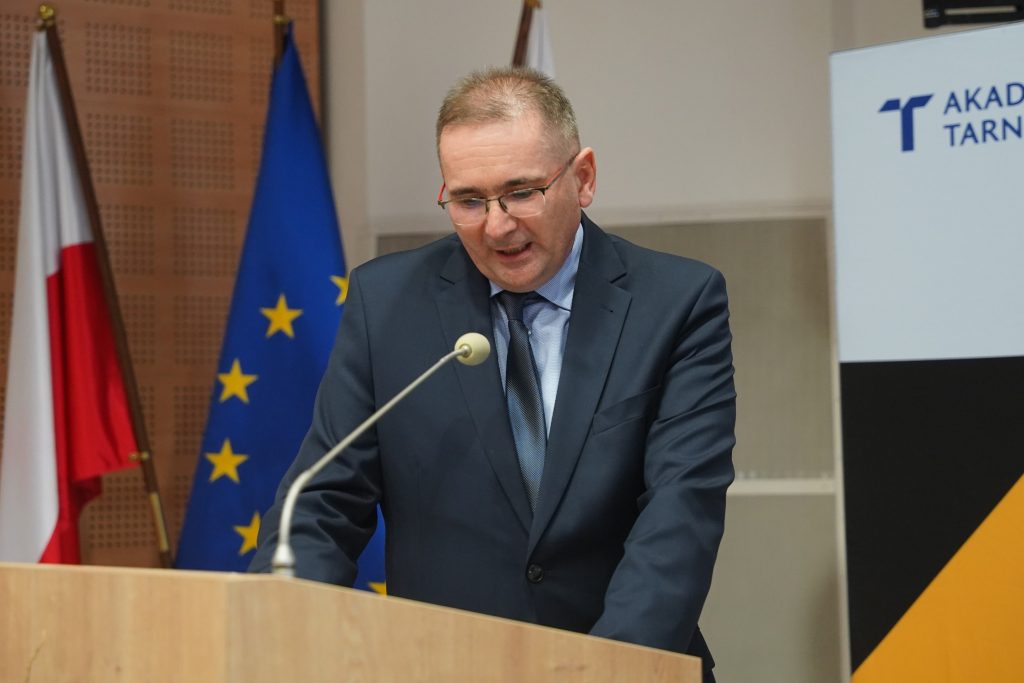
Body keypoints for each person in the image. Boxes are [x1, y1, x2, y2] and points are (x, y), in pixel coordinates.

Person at [250, 67, 735, 680]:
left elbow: (679, 515)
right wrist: (275, 636)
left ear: (583, 178)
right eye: (469, 201)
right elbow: (324, 500)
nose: (497, 225)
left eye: (522, 192)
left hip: (627, 666)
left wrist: (605, 670)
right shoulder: (386, 304)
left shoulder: (677, 302)